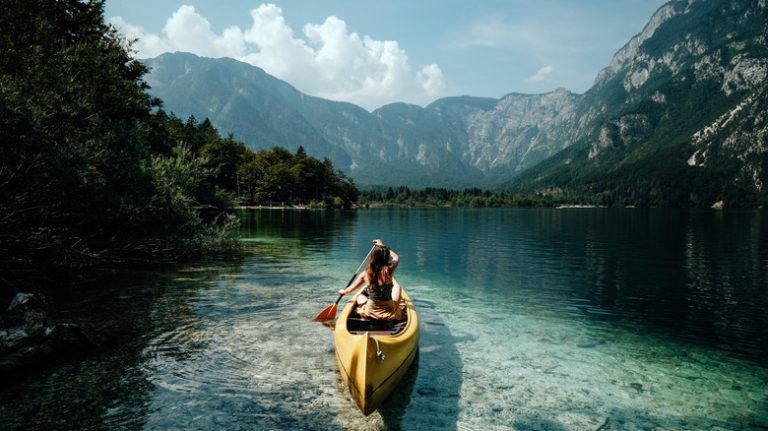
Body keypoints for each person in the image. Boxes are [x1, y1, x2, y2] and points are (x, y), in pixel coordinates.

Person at [338, 239, 404, 321]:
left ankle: (363, 315)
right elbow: (396, 257)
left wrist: (342, 291)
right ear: (386, 257)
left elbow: (349, 290)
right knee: (397, 287)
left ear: (372, 258)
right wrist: (381, 245)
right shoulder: (389, 270)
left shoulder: (365, 274)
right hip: (389, 313)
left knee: (359, 297)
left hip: (370, 313)